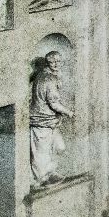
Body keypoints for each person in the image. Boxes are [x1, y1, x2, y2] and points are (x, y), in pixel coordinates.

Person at [29, 50, 73, 185]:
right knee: (41, 152)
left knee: (59, 147)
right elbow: (53, 103)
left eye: (58, 61)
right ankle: (41, 179)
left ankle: (50, 172)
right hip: (42, 120)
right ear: (47, 63)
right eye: (52, 62)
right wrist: (69, 112)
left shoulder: (48, 76)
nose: (56, 64)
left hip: (51, 121)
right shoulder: (48, 79)